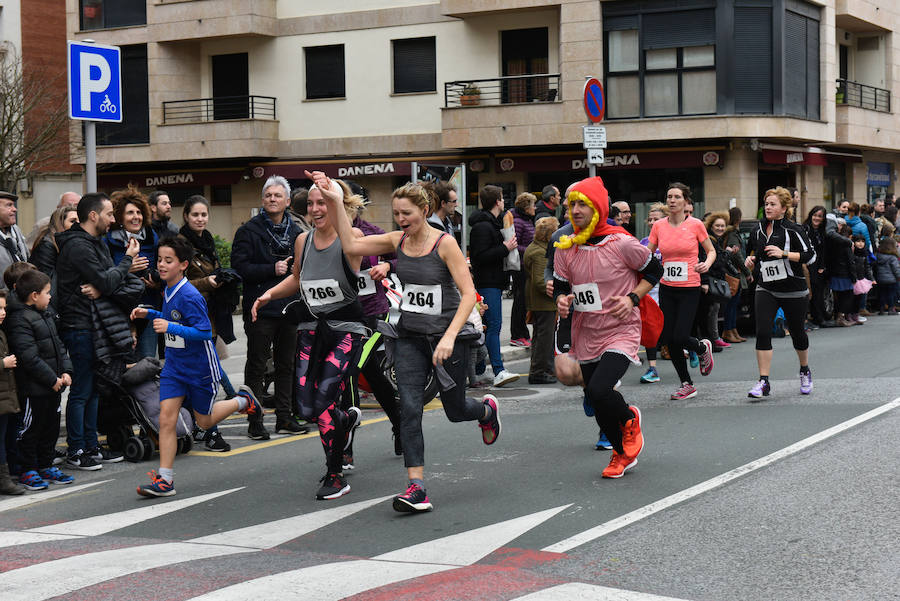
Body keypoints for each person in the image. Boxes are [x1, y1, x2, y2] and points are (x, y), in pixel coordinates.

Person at [312, 170, 502, 513]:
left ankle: (486, 411)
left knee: (455, 410)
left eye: (407, 214)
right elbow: (352, 244)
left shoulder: (444, 244)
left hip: (448, 337)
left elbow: (470, 293)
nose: (401, 220)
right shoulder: (397, 241)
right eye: (397, 215)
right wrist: (336, 200)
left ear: (425, 211)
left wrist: (448, 337)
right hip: (410, 337)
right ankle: (417, 486)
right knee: (410, 408)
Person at [252, 180, 367, 500]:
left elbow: (353, 263)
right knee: (306, 405)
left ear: (338, 205)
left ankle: (335, 474)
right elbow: (298, 279)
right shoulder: (302, 240)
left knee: (326, 397)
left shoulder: (352, 238)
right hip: (310, 326)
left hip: (345, 327)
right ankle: (347, 420)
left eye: (324, 203)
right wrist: (268, 295)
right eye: (312, 204)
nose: (315, 210)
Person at [132, 237, 263, 497]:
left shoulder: (190, 294)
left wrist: (169, 327)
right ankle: (165, 480)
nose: (161, 265)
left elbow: (204, 331)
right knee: (166, 419)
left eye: (168, 261)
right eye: (159, 259)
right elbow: (171, 320)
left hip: (199, 367)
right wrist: (151, 314)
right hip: (174, 368)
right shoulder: (167, 289)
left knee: (203, 421)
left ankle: (242, 401)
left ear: (183, 265)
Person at [553, 176, 659, 478]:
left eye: (582, 205)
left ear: (597, 208)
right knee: (596, 400)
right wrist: (561, 301)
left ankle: (629, 419)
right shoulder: (565, 247)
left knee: (600, 389)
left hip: (620, 329)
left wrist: (632, 299)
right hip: (586, 332)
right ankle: (620, 453)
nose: (575, 210)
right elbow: (562, 287)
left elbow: (654, 270)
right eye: (571, 204)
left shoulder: (622, 243)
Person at [56, 193, 138, 470]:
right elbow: (109, 279)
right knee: (82, 391)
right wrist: (126, 260)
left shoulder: (94, 243)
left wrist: (105, 284)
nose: (113, 220)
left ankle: (91, 445)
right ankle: (77, 450)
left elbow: (108, 282)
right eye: (109, 214)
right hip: (79, 326)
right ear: (93, 216)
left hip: (94, 325)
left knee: (92, 391)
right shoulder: (79, 246)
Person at [232, 175, 304, 440]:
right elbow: (239, 267)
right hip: (260, 309)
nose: (272, 199)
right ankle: (255, 420)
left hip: (289, 309)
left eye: (277, 196)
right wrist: (270, 269)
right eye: (268, 195)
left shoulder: (297, 233)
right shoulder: (248, 231)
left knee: (287, 365)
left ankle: (285, 418)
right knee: (257, 366)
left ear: (287, 201)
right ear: (262, 200)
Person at [179, 195, 249, 452]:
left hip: (210, 316)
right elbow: (177, 282)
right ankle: (213, 429)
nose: (200, 219)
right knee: (202, 377)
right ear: (186, 216)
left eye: (204, 215)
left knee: (199, 376)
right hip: (189, 320)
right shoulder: (180, 244)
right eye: (195, 215)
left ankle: (199, 426)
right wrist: (207, 282)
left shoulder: (207, 241)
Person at [342, 187, 403, 464]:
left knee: (351, 371)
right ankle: (401, 422)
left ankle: (346, 447)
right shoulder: (326, 236)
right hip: (343, 315)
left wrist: (387, 268)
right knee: (375, 378)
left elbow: (400, 255)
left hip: (373, 315)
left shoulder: (371, 231)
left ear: (354, 206)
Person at [744, 187, 816, 398]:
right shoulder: (757, 229)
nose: (768, 207)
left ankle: (804, 370)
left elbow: (810, 257)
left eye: (772, 204)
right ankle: (763, 381)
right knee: (763, 331)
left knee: (797, 333)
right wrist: (751, 260)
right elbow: (754, 253)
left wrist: (783, 253)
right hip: (766, 287)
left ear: (784, 208)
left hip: (793, 290)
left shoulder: (794, 230)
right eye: (766, 204)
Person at [647, 183, 716, 401]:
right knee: (668, 337)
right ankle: (686, 383)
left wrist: (707, 264)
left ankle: (701, 347)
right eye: (669, 197)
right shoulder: (658, 226)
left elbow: (711, 251)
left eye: (677, 197)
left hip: (689, 287)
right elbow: (647, 255)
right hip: (667, 287)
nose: (672, 200)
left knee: (680, 335)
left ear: (686, 201)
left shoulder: (695, 225)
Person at [6, 270, 74, 490]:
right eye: (47, 292)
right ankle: (27, 469)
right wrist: (50, 379)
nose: (51, 296)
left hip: (54, 385)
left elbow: (59, 346)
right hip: (34, 389)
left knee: (50, 428)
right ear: (34, 295)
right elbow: (28, 357)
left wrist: (65, 370)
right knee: (31, 429)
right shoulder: (19, 319)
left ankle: (45, 465)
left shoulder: (45, 314)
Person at [468, 185, 519, 386]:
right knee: (493, 326)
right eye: (502, 198)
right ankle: (498, 370)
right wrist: (504, 248)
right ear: (497, 201)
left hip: (493, 281)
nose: (504, 202)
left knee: (487, 326)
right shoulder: (483, 227)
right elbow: (479, 257)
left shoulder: (491, 223)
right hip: (487, 282)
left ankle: (480, 370)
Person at [105, 187, 161, 359]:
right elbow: (104, 274)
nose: (136, 216)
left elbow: (162, 267)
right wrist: (126, 268)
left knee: (148, 361)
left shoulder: (152, 236)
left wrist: (157, 281)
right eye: (130, 212)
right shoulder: (109, 239)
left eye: (138, 212)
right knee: (126, 364)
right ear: (120, 216)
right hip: (120, 310)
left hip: (149, 306)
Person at [524, 216, 559, 384]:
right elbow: (541, 281)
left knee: (541, 337)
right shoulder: (540, 252)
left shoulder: (537, 248)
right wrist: (558, 293)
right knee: (544, 339)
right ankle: (539, 371)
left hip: (540, 302)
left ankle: (543, 369)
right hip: (543, 303)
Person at [637, 203, 667, 383]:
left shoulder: (672, 240)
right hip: (649, 290)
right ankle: (653, 368)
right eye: (650, 219)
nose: (652, 222)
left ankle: (692, 346)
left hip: (669, 289)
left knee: (671, 329)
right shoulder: (642, 242)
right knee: (650, 328)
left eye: (656, 219)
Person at [0, 290, 24, 495]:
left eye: (3, 308)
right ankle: (4, 480)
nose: (2, 313)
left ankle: (5, 477)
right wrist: (3, 363)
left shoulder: (1, 331)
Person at [721, 207, 752, 342]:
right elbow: (737, 255)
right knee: (732, 305)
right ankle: (729, 331)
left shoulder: (731, 233)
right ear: (738, 218)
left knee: (733, 304)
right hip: (734, 274)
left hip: (733, 272)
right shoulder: (733, 234)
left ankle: (733, 331)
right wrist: (747, 272)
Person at [510, 192, 536, 347]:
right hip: (520, 267)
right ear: (526, 207)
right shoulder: (519, 222)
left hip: (526, 265)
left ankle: (523, 333)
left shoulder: (526, 220)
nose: (535, 208)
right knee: (520, 301)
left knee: (524, 301)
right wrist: (530, 250)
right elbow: (514, 244)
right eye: (533, 205)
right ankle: (517, 334)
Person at [30, 206, 79, 279]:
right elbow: (47, 278)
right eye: (73, 221)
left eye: (80, 221)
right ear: (60, 223)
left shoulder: (72, 242)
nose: (78, 224)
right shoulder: (46, 245)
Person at [803, 206, 829, 328]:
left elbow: (823, 250)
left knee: (818, 291)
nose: (817, 218)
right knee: (812, 291)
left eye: (820, 216)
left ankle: (819, 317)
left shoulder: (822, 231)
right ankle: (816, 318)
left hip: (819, 265)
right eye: (815, 215)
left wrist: (822, 265)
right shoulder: (805, 229)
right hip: (807, 264)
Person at [827, 224, 858, 327]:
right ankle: (841, 317)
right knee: (847, 296)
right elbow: (850, 262)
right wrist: (854, 276)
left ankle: (837, 316)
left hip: (834, 273)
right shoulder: (847, 244)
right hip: (845, 274)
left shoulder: (834, 242)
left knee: (838, 297)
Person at [0, 191, 29, 292]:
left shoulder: (16, 230)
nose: (15, 209)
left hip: (20, 294)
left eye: (13, 205)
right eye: (9, 205)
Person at [875, 237, 900, 314]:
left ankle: (881, 309)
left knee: (882, 294)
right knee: (891, 294)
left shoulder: (878, 256)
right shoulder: (892, 257)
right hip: (891, 279)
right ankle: (891, 308)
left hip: (880, 279)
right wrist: (898, 276)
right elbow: (895, 269)